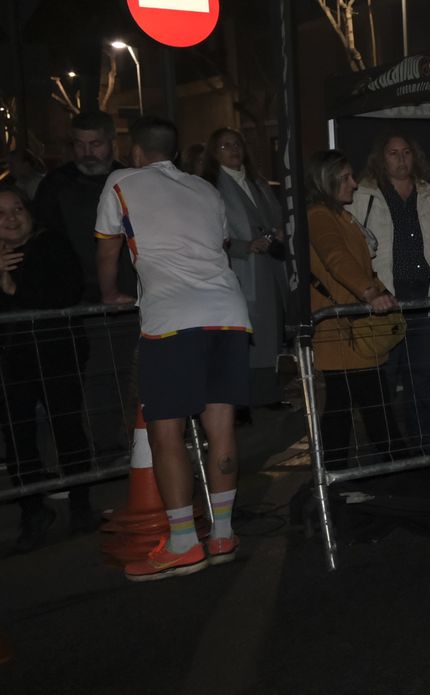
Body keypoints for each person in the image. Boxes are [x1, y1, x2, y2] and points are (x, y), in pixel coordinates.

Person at [95, 117, 249, 581]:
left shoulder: (121, 181)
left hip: (170, 322)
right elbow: (218, 247)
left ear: (135, 152)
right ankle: (222, 533)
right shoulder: (207, 190)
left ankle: (184, 542)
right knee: (220, 429)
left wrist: (108, 293)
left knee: (166, 433)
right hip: (228, 313)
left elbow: (108, 250)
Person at [33, 111, 138, 458]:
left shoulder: (131, 179)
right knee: (100, 377)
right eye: (79, 144)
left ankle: (142, 441)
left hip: (135, 294)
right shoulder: (56, 186)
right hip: (84, 300)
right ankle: (108, 445)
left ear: (112, 143)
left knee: (137, 372)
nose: (86, 152)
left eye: (94, 144)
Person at [349, 133, 430, 450]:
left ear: (415, 157)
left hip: (425, 301)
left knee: (421, 378)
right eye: (393, 153)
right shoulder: (364, 195)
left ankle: (423, 446)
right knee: (384, 380)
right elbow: (351, 247)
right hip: (386, 301)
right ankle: (386, 449)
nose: (400, 159)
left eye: (406, 152)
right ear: (380, 158)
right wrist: (370, 289)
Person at [0, 186, 96, 550]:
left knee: (67, 428)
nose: (11, 217)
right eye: (1, 213)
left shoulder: (51, 244)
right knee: (18, 438)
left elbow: (64, 294)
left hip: (57, 354)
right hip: (12, 363)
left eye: (17, 208)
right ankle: (32, 511)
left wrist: (10, 288)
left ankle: (82, 505)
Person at [307, 150, 398, 470]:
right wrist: (371, 293)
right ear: (326, 180)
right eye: (345, 178)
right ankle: (393, 469)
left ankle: (338, 481)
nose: (354, 184)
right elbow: (336, 259)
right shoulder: (320, 216)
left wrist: (378, 292)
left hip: (350, 329)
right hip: (342, 330)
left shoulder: (337, 215)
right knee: (362, 409)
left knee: (355, 409)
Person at [201, 129, 289, 421]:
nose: (233, 150)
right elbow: (211, 232)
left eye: (237, 144)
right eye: (225, 145)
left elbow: (278, 216)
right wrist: (243, 246)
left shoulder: (257, 182)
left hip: (268, 266)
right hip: (240, 268)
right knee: (243, 337)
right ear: (215, 152)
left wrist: (277, 233)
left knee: (269, 333)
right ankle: (240, 402)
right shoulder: (210, 186)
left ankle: (268, 394)